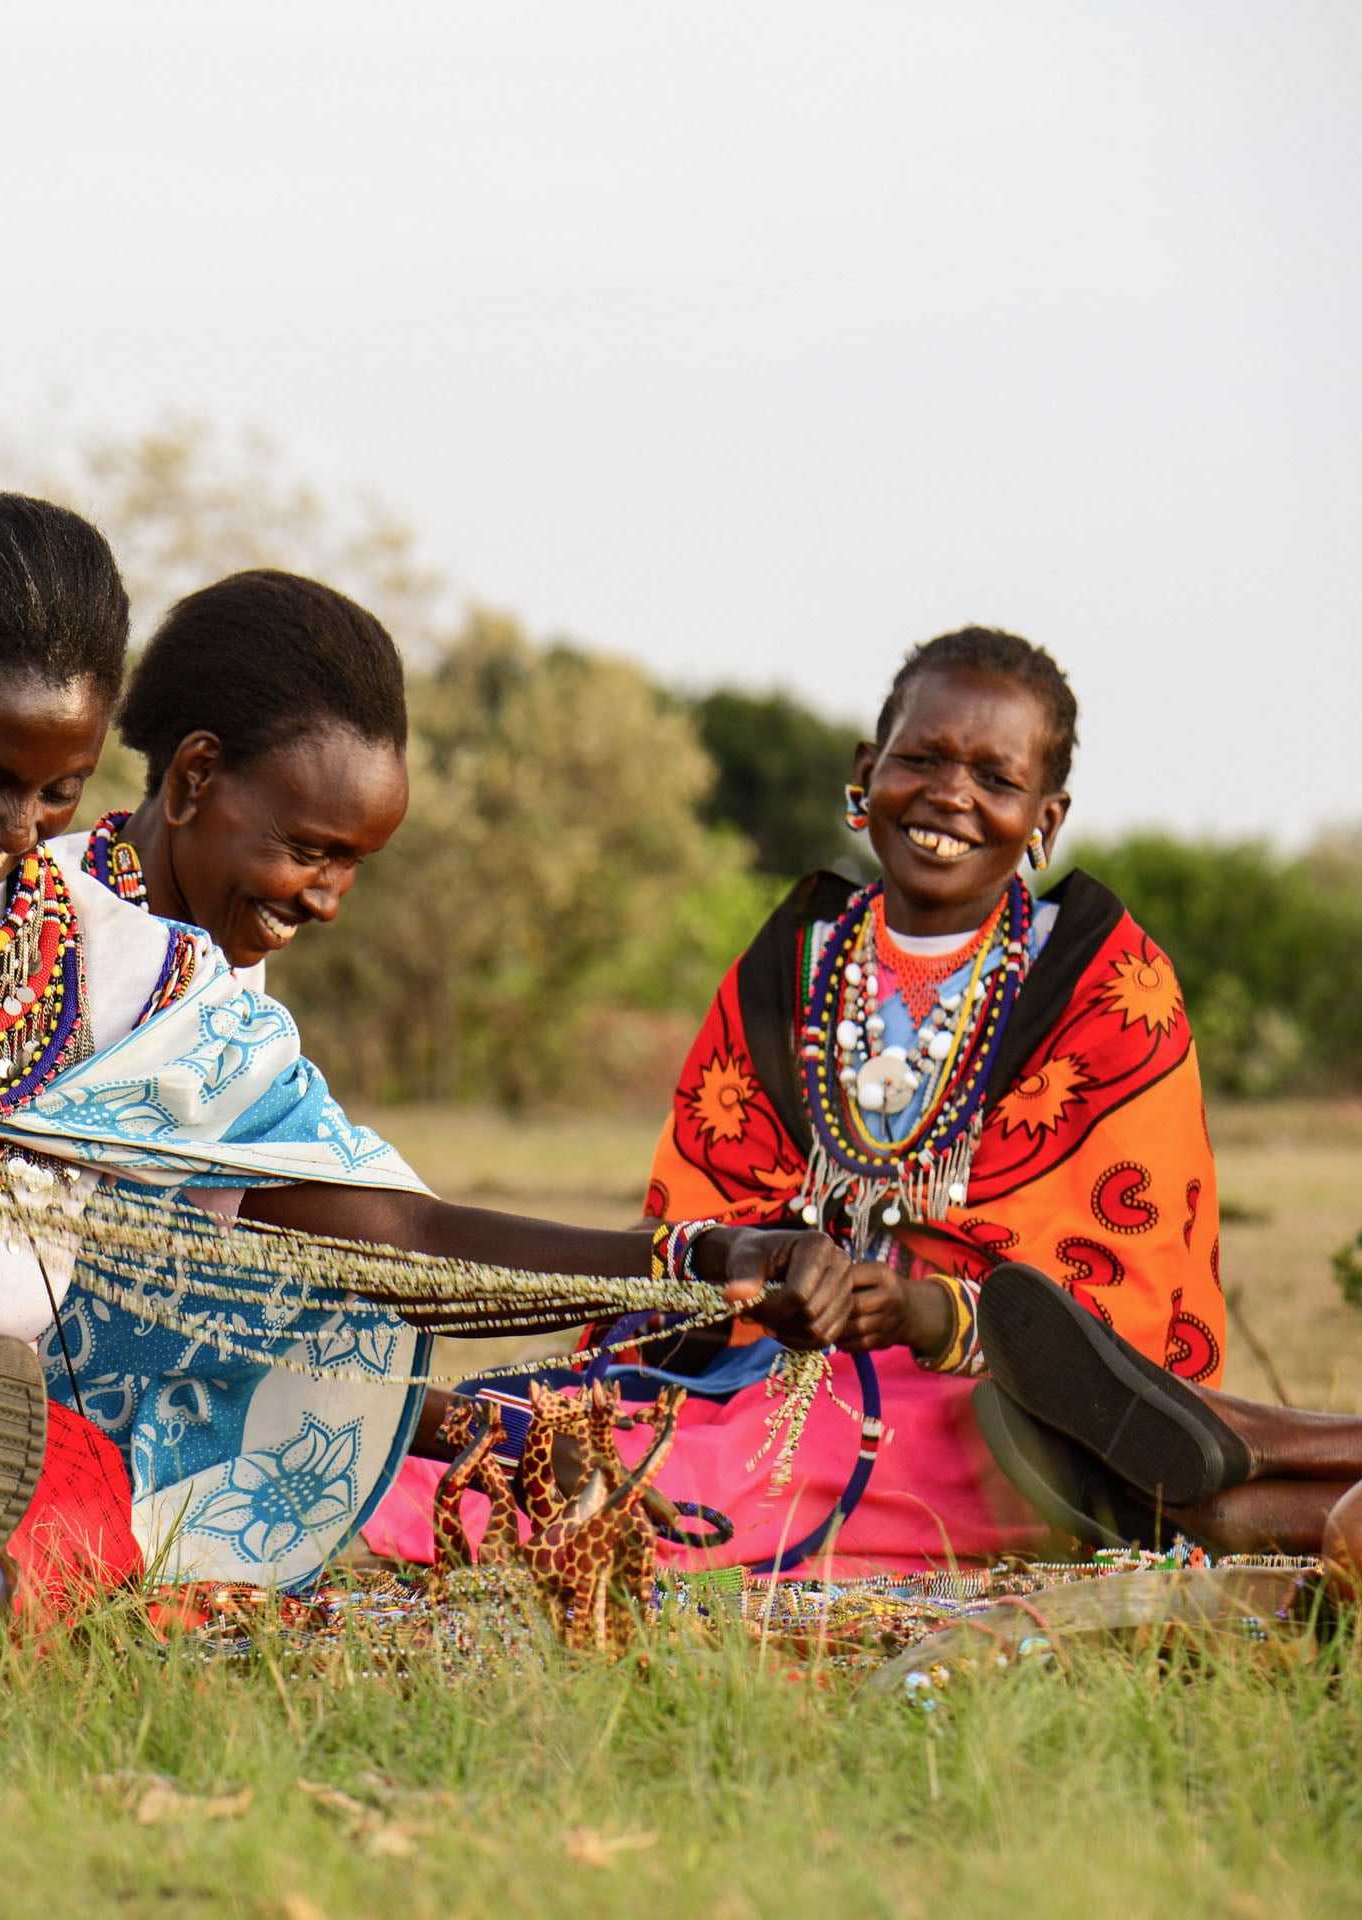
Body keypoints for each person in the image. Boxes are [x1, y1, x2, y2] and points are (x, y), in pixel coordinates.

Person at [0, 492, 860, 1619]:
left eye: (57, 788)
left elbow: (384, 1232)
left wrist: (698, 1263)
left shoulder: (138, 975)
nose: (18, 827)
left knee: (56, 1491)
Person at [367, 626, 1322, 1574]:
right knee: (528, 1417)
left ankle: (368, 1524)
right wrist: (775, 1283)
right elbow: (696, 1219)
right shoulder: (788, 966)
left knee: (708, 1473)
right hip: (755, 1358)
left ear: (1047, 818)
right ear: (868, 770)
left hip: (984, 1398)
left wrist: (921, 1313)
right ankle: (346, 1484)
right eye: (924, 758)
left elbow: (1127, 1296)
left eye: (996, 779)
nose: (951, 795)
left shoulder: (1105, 989)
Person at [55, 569, 411, 990]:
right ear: (196, 777)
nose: (326, 905)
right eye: (307, 852)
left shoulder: (233, 985)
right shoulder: (13, 931)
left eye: (351, 862)